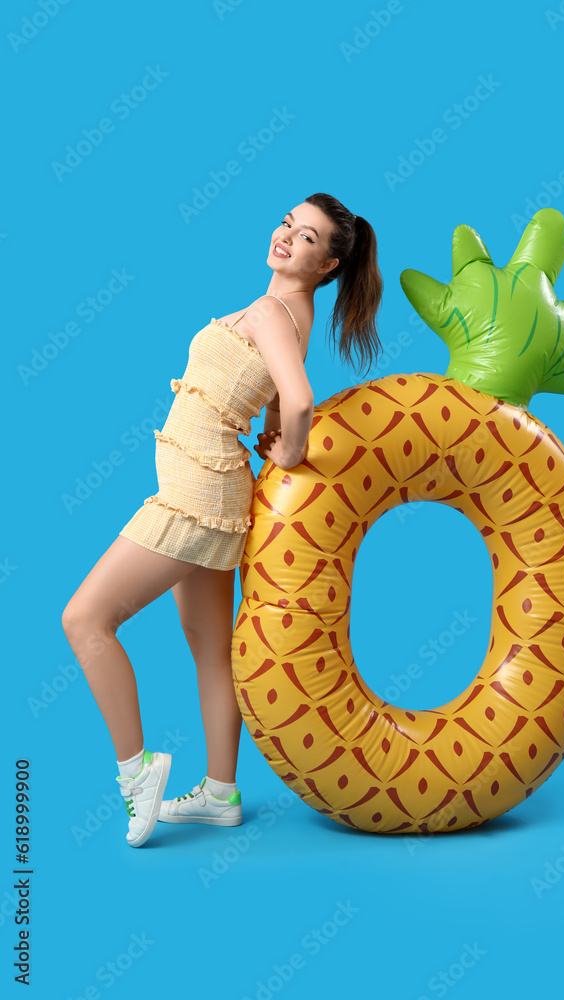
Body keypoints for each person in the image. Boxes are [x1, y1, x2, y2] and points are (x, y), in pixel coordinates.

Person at [61, 192, 383, 848]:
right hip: (212, 492)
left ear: (327, 264)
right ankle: (219, 793)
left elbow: (297, 401)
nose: (287, 238)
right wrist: (274, 435)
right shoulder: (292, 314)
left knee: (86, 620)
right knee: (212, 649)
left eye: (308, 238)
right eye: (288, 224)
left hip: (196, 497)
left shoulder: (271, 311)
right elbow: (275, 390)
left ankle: (136, 772)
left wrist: (288, 449)